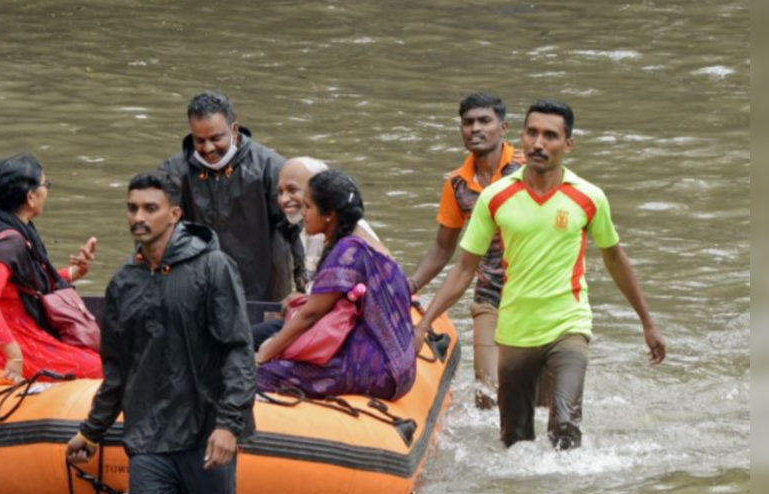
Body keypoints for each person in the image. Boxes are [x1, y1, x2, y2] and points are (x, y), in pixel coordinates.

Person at [415, 100, 666, 451]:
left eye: (550, 136)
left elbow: (615, 259)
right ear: (520, 136)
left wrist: (647, 322)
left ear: (568, 145)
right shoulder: (495, 198)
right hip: (515, 331)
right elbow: (463, 268)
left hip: (569, 324)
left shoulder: (589, 197)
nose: (538, 143)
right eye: (532, 133)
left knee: (565, 426)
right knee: (515, 442)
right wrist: (425, 323)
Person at [67, 171, 255, 494]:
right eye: (132, 208)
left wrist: (228, 425)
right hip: (148, 438)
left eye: (150, 208)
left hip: (206, 436)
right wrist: (91, 431)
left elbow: (238, 352)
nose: (139, 217)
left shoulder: (213, 268)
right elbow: (116, 371)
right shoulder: (123, 284)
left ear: (174, 214)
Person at [256, 170, 416, 401]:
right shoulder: (367, 244)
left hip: (378, 372)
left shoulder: (347, 252)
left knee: (259, 374)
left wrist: (264, 354)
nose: (303, 214)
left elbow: (310, 316)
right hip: (400, 369)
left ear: (329, 214)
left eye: (308, 207)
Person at [408, 93, 523, 408]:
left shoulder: (529, 169)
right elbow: (443, 250)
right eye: (468, 122)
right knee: (486, 396)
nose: (475, 128)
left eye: (484, 121)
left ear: (503, 128)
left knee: (534, 398)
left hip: (534, 293)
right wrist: (408, 287)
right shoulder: (457, 185)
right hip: (490, 294)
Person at [0, 154, 103, 383]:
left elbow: (21, 285)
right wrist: (13, 355)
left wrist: (75, 272)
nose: (46, 191)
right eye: (45, 185)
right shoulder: (9, 243)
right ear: (30, 197)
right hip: (5, 338)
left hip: (6, 327)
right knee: (99, 367)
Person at [160, 91, 301, 302]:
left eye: (216, 138)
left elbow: (297, 229)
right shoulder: (173, 172)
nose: (208, 148)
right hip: (198, 294)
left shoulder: (270, 169)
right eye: (200, 140)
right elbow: (157, 234)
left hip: (260, 294)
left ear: (234, 130)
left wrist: (305, 288)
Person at [251, 156, 388, 349]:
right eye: (280, 192)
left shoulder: (351, 238)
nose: (283, 200)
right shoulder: (307, 227)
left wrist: (267, 351)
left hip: (343, 328)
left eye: (292, 190)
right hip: (324, 318)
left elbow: (316, 314)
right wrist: (306, 298)